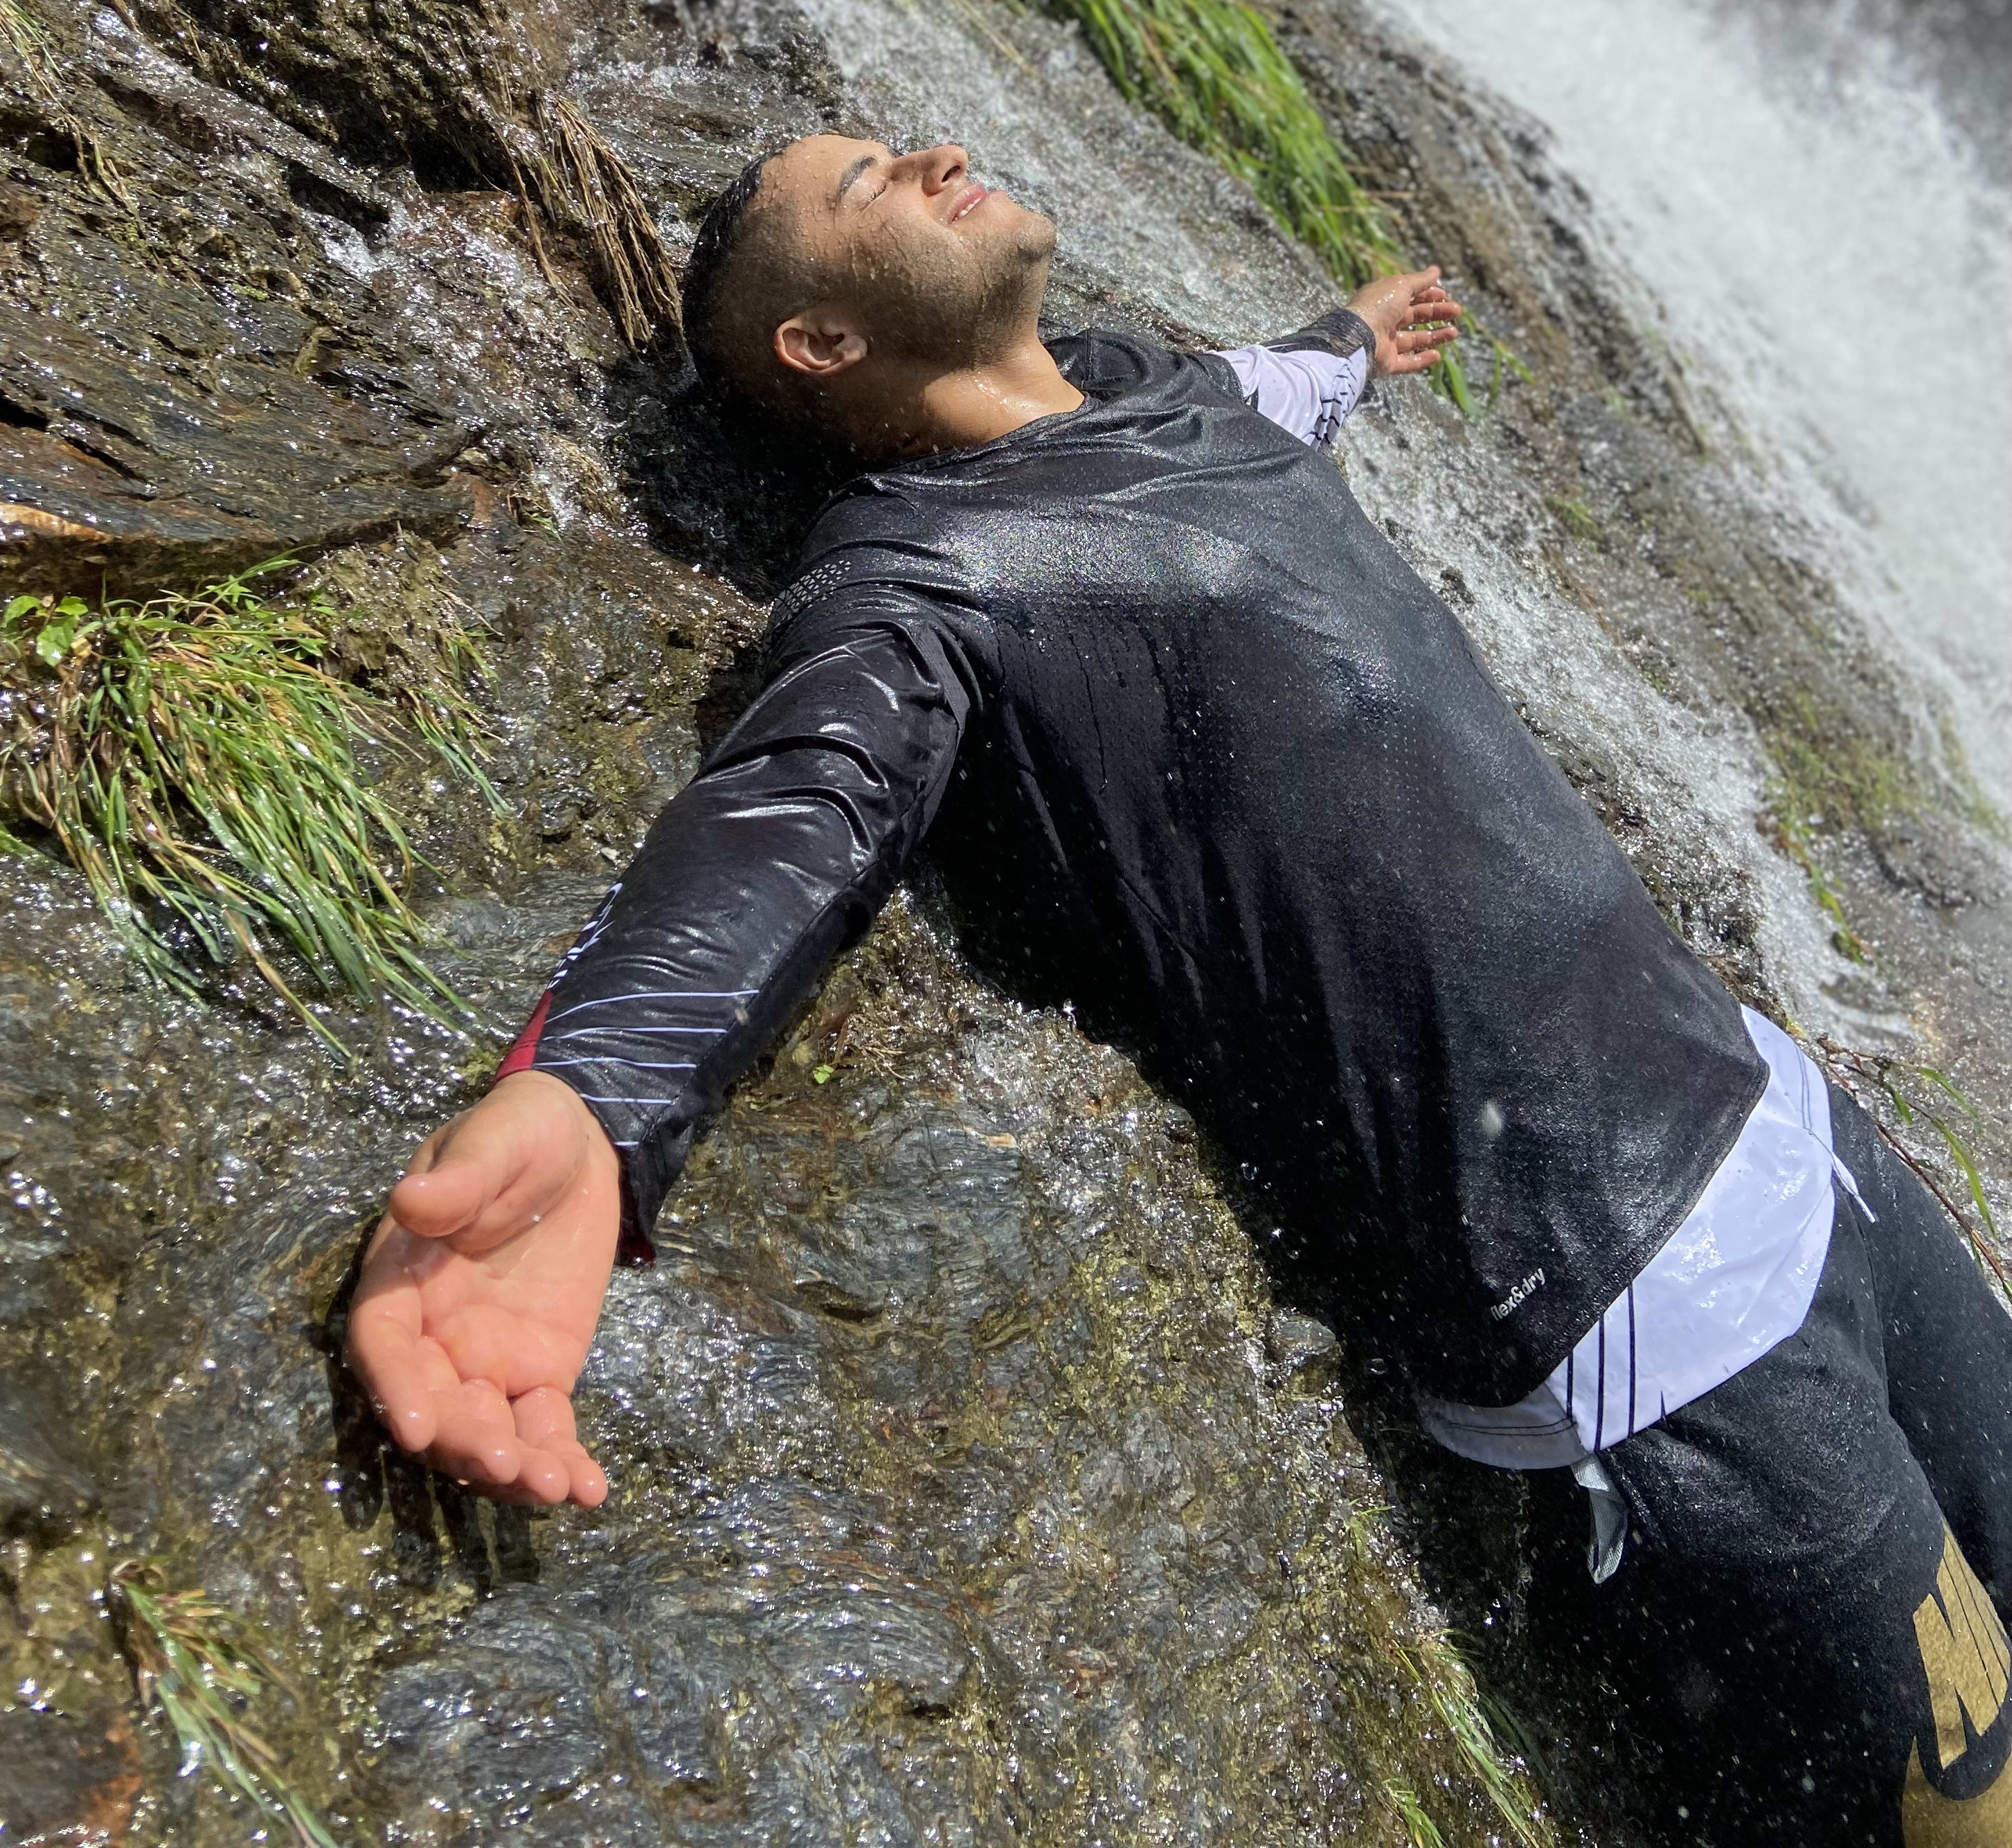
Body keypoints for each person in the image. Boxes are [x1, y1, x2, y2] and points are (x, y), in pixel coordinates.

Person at [348, 136, 2012, 1845]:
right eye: (866, 189)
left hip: (1800, 1133)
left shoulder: (1158, 393)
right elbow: (788, 817)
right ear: (820, 347)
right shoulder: (918, 595)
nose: (927, 151)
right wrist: (591, 1100)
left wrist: (1353, 334)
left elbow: (1278, 385)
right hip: (1651, 1335)